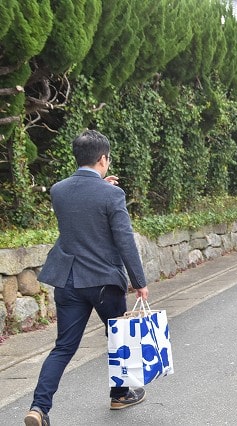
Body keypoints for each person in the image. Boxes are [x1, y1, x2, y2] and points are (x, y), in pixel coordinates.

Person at [24, 130, 149, 426]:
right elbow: (124, 240)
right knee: (118, 339)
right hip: (104, 281)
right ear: (103, 158)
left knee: (64, 347)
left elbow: (81, 214)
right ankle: (119, 395)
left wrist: (101, 188)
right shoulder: (112, 194)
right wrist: (139, 282)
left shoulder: (59, 190)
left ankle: (38, 408)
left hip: (67, 281)